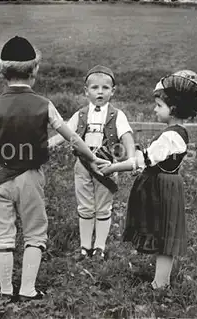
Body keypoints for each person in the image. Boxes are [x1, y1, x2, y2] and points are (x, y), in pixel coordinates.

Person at [0, 36, 110, 302]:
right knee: (35, 233)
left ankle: (5, 290)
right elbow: (71, 135)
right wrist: (91, 157)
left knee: (2, 235)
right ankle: (27, 289)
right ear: (34, 70)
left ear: (2, 71)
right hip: (30, 179)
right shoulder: (44, 104)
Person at [100, 70, 197, 289]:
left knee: (165, 233)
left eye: (158, 105)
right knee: (162, 232)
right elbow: (149, 158)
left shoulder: (171, 136)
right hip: (163, 184)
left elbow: (141, 161)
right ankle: (160, 280)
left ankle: (161, 283)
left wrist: (112, 168)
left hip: (162, 188)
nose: (155, 109)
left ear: (173, 109)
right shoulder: (174, 132)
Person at [48, 65, 136, 261]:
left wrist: (131, 158)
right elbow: (64, 134)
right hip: (83, 165)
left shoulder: (117, 115)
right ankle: (84, 246)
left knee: (104, 207)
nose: (100, 92)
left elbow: (127, 136)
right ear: (85, 91)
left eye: (105, 88)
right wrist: (46, 145)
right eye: (95, 88)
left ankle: (99, 247)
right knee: (85, 206)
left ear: (113, 91)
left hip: (107, 166)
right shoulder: (79, 114)